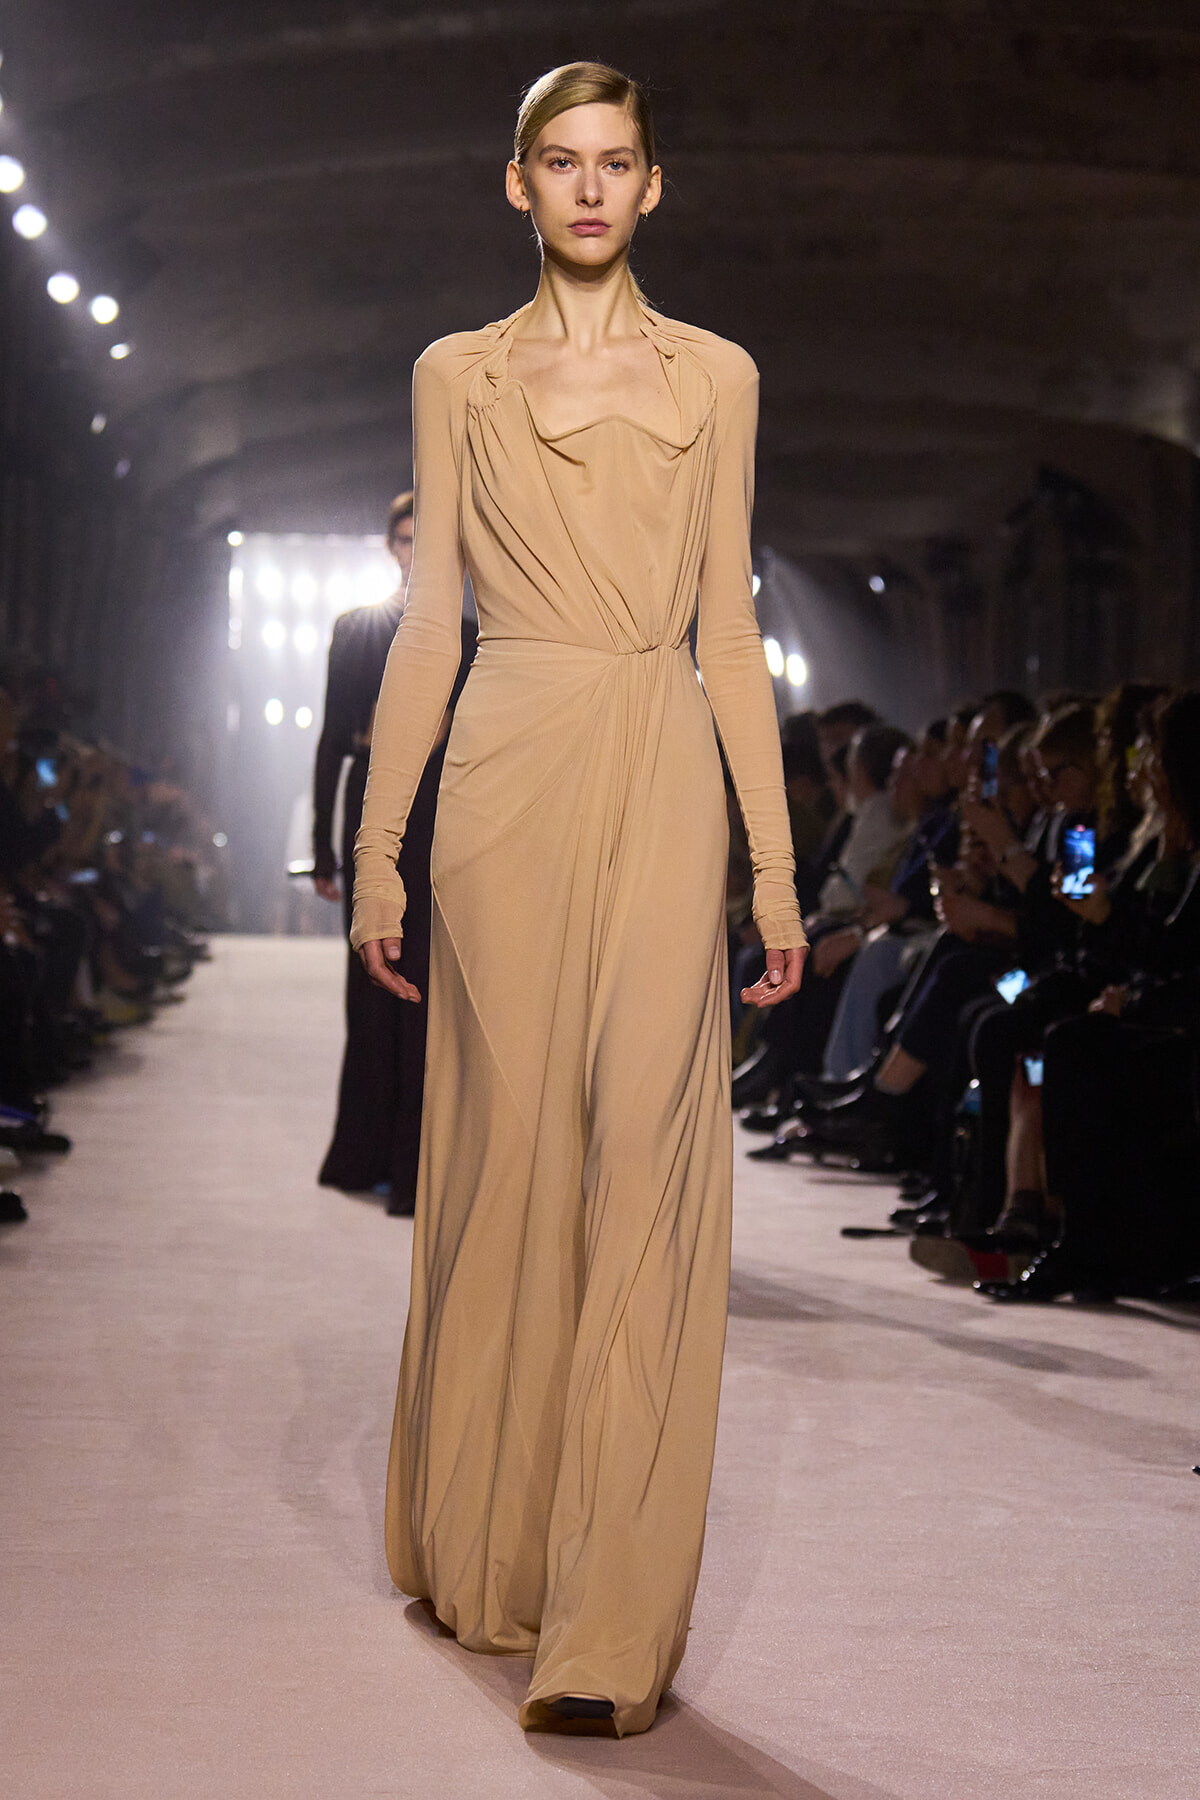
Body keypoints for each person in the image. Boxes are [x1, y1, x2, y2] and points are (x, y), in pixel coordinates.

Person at [350, 62, 806, 1736]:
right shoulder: (457, 375)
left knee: (649, 1172)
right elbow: (427, 626)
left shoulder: (724, 378)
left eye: (618, 162)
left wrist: (771, 863)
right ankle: (488, 1545)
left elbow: (729, 634)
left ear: (656, 187)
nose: (593, 189)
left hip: (663, 755)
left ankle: (607, 1630)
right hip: (505, 770)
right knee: (509, 1162)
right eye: (564, 162)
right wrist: (382, 846)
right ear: (518, 186)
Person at [311, 493, 475, 1213]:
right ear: (390, 545)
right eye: (405, 539)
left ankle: (417, 1164)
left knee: (428, 983)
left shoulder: (477, 635)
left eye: (427, 539)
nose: (415, 550)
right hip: (371, 803)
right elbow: (331, 737)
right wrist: (322, 845)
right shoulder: (357, 630)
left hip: (442, 807)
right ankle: (367, 1150)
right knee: (371, 974)